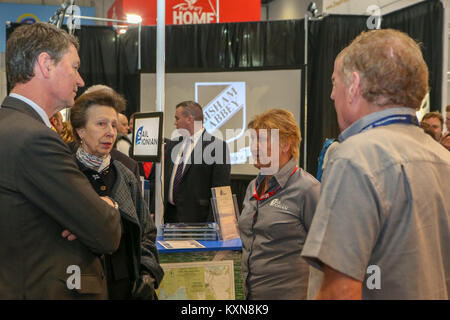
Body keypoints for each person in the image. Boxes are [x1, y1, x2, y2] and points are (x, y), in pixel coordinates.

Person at [302, 29, 450, 299]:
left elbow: (340, 292)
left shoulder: (355, 157)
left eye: (336, 83)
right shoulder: (444, 159)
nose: (333, 95)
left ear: (355, 85)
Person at [0, 22, 121, 299]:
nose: (80, 80)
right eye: (74, 67)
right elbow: (105, 231)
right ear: (46, 64)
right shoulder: (35, 140)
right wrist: (108, 204)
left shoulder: (10, 127)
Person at [70, 88, 164, 299]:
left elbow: (146, 233)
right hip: (78, 287)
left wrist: (147, 273)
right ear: (80, 130)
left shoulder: (126, 172)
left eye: (113, 124)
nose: (111, 132)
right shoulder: (64, 171)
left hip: (125, 290)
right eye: (101, 124)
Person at [238, 109, 320, 300]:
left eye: (262, 140)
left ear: (285, 144)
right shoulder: (253, 187)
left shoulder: (308, 189)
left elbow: (330, 255)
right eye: (252, 140)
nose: (253, 147)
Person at [163, 101, 231, 223]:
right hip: (169, 219)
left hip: (198, 223)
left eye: (177, 118)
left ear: (190, 119)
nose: (175, 123)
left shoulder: (217, 147)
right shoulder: (173, 144)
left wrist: (212, 225)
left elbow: (220, 191)